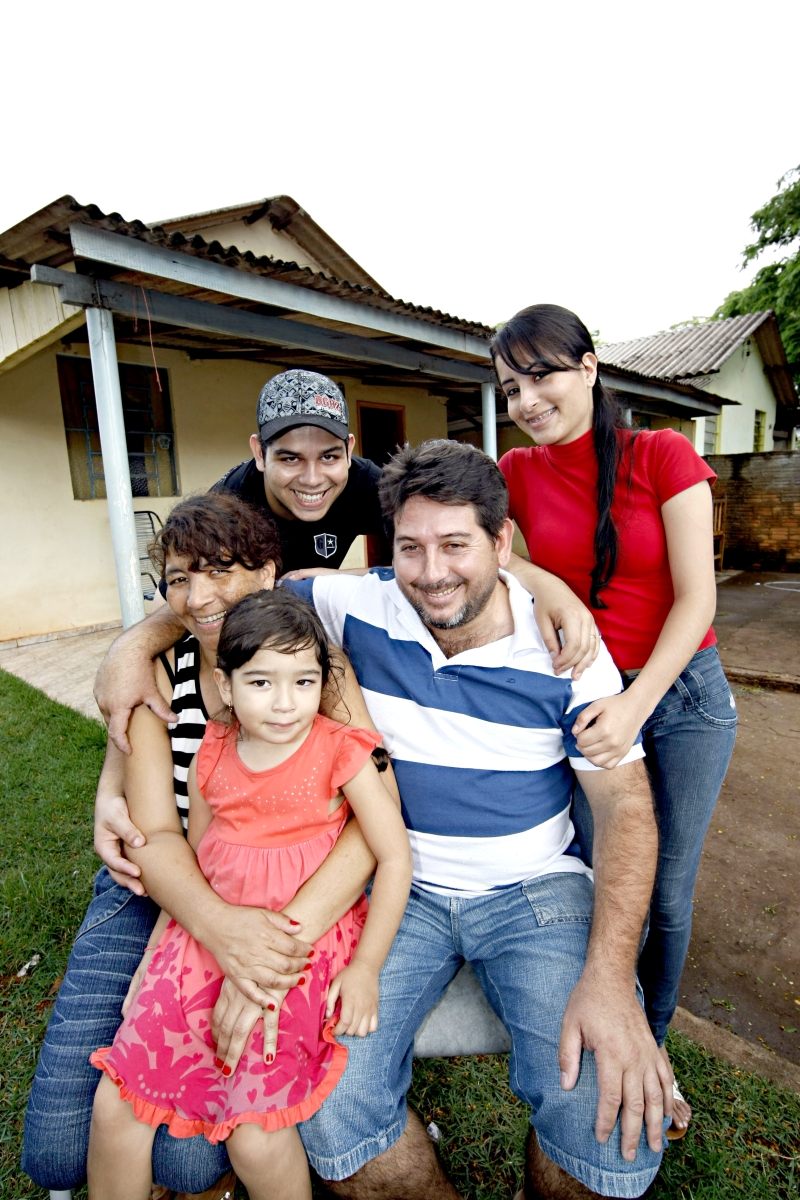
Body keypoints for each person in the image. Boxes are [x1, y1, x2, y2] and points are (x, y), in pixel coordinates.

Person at [259, 438, 668, 1200]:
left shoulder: (564, 648)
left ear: (501, 543)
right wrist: (131, 653)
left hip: (535, 893)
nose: (432, 572)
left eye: (456, 544)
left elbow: (626, 809)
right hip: (396, 891)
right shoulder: (356, 604)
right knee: (332, 1107)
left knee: (604, 1122)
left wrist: (610, 978)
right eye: (411, 548)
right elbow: (226, 601)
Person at [22, 493, 391, 1198]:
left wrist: (269, 949)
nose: (199, 597)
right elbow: (159, 831)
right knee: (59, 1153)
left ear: (268, 574)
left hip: (295, 899)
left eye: (223, 570)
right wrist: (217, 928)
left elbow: (373, 831)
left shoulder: (317, 673)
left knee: (193, 1157)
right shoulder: (161, 676)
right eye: (180, 578)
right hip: (171, 892)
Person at [492, 304, 738, 1137]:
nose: (527, 399)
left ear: (590, 369)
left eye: (543, 375)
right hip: (588, 693)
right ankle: (619, 1039)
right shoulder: (515, 469)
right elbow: (488, 547)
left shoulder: (662, 454)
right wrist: (548, 585)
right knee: (606, 889)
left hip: (679, 694)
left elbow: (699, 595)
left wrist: (636, 702)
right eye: (510, 386)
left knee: (664, 894)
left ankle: (653, 1054)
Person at [87, 590, 412, 1200]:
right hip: (203, 935)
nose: (286, 703)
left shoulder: (343, 751)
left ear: (324, 682)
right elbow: (200, 865)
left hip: (300, 943)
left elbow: (394, 856)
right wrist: (158, 960)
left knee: (254, 1133)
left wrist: (366, 967)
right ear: (225, 685)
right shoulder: (210, 752)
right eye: (261, 682)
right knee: (115, 1104)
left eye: (304, 681)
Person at [213, 368, 391, 573]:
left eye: (328, 457)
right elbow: (180, 587)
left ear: (349, 451)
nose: (312, 480)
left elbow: (426, 569)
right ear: (260, 454)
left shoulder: (369, 484)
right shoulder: (227, 504)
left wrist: (335, 579)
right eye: (291, 459)